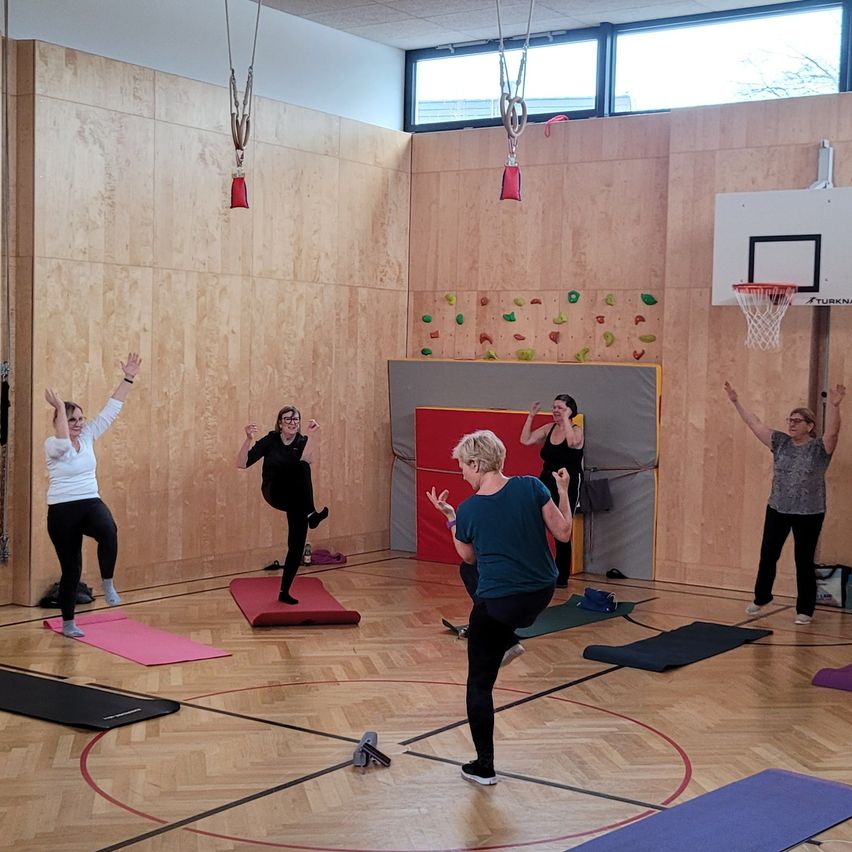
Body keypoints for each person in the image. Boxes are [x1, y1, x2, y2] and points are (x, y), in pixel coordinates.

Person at [426, 429, 573, 785]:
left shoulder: (470, 509)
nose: (461, 472)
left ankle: (484, 767)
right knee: (479, 581)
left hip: (500, 606)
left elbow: (467, 554)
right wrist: (565, 491)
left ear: (476, 464)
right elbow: (565, 532)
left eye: (463, 465)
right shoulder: (531, 486)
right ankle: (508, 639)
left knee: (478, 684)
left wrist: (451, 517)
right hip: (541, 592)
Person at [725, 381, 846, 624]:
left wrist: (834, 406)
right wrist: (736, 401)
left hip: (810, 513)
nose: (791, 423)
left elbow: (833, 432)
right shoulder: (779, 442)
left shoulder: (819, 448)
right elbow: (754, 423)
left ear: (810, 426)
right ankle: (761, 598)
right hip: (778, 508)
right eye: (789, 419)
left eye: (797, 420)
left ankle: (805, 609)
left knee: (803, 560)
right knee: (768, 554)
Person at [43, 352, 142, 638]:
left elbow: (113, 408)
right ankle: (69, 623)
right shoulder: (52, 444)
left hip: (89, 502)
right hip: (61, 511)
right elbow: (63, 441)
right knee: (71, 569)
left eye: (81, 419)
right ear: (61, 420)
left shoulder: (87, 436)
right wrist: (61, 407)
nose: (79, 424)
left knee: (108, 529)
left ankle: (108, 583)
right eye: (73, 419)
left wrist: (129, 377)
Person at [238, 405, 328, 605]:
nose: (293, 423)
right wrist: (248, 439)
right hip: (274, 490)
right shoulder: (271, 440)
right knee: (300, 468)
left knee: (296, 545)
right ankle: (312, 514)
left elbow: (307, 460)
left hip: (296, 498)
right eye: (288, 419)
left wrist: (311, 436)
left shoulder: (302, 441)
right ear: (280, 423)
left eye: (296, 419)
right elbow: (242, 463)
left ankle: (284, 591)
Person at [520, 394, 584, 587]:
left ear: (570, 411)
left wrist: (566, 418)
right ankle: (537, 568)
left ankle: (561, 576)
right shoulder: (549, 428)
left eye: (560, 407)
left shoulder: (576, 431)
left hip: (566, 482)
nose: (555, 410)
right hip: (546, 479)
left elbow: (572, 443)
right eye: (554, 407)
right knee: (534, 520)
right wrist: (531, 416)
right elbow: (526, 440)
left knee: (562, 527)